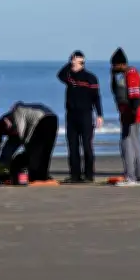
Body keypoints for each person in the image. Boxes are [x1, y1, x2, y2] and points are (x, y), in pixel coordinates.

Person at [57, 50, 103, 183]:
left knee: (87, 146)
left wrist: (99, 114)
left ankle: (89, 175)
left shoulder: (90, 78)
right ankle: (75, 175)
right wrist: (69, 62)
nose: (73, 63)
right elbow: (59, 75)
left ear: (82, 62)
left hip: (86, 115)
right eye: (72, 60)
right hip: (71, 115)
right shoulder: (69, 77)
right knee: (72, 146)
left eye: (75, 61)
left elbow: (96, 97)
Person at [0, 102, 59, 183]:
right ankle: (39, 175)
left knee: (42, 151)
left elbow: (23, 136)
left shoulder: (17, 114)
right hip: (50, 117)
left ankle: (38, 176)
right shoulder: (0, 125)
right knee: (42, 151)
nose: (8, 134)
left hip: (44, 120)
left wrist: (28, 149)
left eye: (9, 131)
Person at [110, 48, 140, 187]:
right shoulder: (124, 75)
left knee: (127, 145)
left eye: (114, 65)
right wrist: (112, 76)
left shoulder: (131, 75)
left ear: (121, 64)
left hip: (131, 115)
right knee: (135, 143)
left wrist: (132, 114)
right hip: (128, 115)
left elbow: (135, 96)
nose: (113, 68)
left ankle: (131, 176)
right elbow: (115, 91)